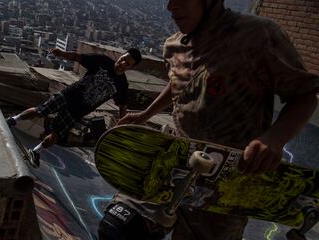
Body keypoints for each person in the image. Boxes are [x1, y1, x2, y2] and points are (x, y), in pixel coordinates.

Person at [98, 0, 319, 239]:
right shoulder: (173, 46)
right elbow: (177, 85)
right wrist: (145, 114)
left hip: (225, 182)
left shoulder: (258, 35)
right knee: (117, 228)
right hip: (176, 163)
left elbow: (305, 95)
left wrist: (275, 139)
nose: (171, 7)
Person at [6, 48, 142, 168]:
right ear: (121, 56)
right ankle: (13, 120)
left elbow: (122, 106)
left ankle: (35, 151)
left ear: (131, 67)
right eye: (123, 59)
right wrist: (62, 54)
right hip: (68, 96)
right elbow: (79, 57)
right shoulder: (103, 61)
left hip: (78, 111)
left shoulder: (122, 85)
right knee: (41, 111)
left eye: (127, 64)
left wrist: (122, 124)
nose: (123, 63)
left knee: (56, 135)